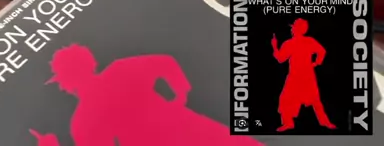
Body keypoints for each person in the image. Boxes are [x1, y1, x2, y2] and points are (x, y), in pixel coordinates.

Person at [31, 44, 259, 146]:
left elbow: (165, 63)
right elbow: (166, 62)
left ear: (66, 83)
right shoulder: (119, 70)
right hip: (190, 126)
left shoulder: (83, 121)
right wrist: (181, 95)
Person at [272, 18, 336, 132]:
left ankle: (324, 122)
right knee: (308, 100)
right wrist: (316, 63)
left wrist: (274, 46)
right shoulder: (301, 42)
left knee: (312, 100)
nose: (292, 29)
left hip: (301, 76)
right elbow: (322, 51)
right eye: (293, 27)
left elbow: (280, 58)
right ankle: (289, 123)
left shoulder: (294, 43)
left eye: (294, 27)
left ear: (297, 30)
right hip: (301, 75)